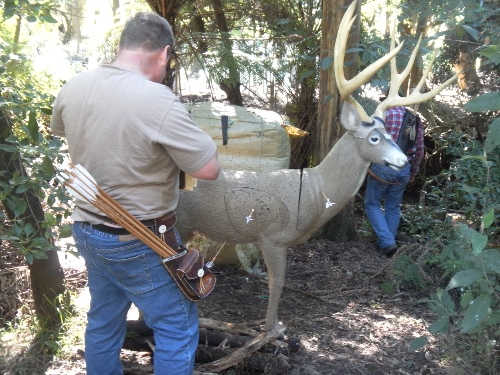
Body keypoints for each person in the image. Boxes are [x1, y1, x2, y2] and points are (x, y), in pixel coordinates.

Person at [50, 12, 221, 375]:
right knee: (176, 325)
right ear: (163, 54)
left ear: (122, 46)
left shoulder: (74, 86)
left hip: (87, 230)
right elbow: (208, 169)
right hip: (139, 239)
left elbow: (66, 132)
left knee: (103, 318)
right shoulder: (156, 99)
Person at [364, 105, 424, 257]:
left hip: (384, 166)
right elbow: (419, 149)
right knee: (393, 207)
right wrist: (413, 172)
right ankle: (388, 244)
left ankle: (387, 242)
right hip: (404, 167)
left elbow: (370, 140)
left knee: (372, 203)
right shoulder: (415, 118)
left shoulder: (383, 115)